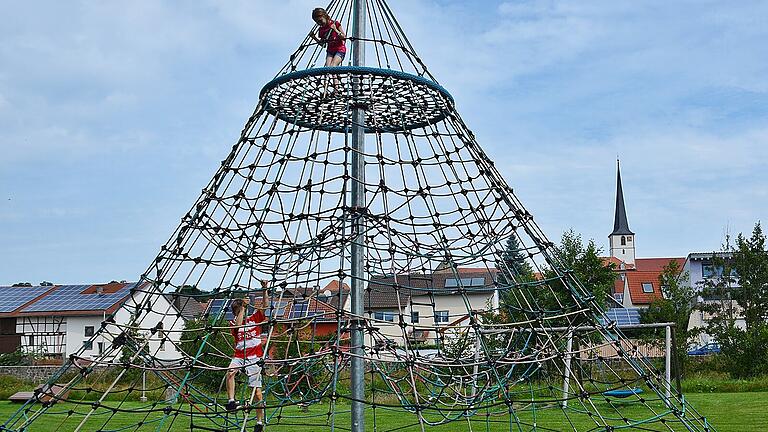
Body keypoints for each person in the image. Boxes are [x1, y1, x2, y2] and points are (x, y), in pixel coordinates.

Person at [226, 281, 269, 431]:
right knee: (230, 372)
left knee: (257, 393)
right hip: (239, 356)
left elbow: (265, 306)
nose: (241, 312)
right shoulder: (233, 323)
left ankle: (259, 422)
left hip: (254, 358)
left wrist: (264, 290)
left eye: (241, 309)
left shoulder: (254, 319)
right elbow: (238, 326)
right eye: (238, 310)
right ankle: (231, 401)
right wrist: (242, 309)